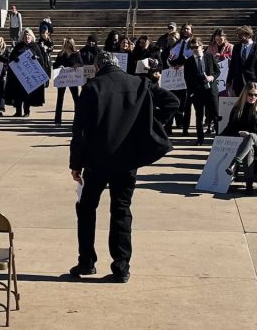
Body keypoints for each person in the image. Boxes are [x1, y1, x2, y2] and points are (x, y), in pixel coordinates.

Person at [69, 51, 179, 282]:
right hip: (128, 160)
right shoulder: (139, 82)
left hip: (97, 161)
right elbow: (172, 102)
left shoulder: (92, 87)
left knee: (87, 209)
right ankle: (121, 266)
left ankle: (87, 261)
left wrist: (75, 164)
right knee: (121, 210)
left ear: (98, 67)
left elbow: (79, 131)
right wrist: (152, 125)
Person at [221, 82, 257, 195]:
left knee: (251, 136)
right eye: (250, 94)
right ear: (245, 94)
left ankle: (234, 164)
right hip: (244, 144)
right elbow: (230, 127)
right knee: (248, 148)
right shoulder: (237, 109)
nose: (253, 97)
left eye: (256, 95)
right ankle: (249, 185)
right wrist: (239, 132)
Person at [184, 37, 219, 145]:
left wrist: (211, 77)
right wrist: (191, 91)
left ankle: (218, 138)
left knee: (215, 114)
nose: (194, 49)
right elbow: (187, 78)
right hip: (197, 93)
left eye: (196, 47)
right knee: (199, 117)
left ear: (202, 46)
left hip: (210, 90)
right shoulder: (189, 61)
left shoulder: (209, 56)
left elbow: (217, 70)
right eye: (192, 47)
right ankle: (200, 139)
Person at [6, 29, 49, 117]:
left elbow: (41, 60)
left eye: (28, 35)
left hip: (30, 77)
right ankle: (18, 111)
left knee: (27, 94)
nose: (27, 37)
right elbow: (11, 58)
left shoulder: (35, 46)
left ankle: (26, 111)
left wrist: (36, 58)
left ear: (32, 37)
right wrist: (15, 59)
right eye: (25, 35)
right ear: (22, 37)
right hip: (18, 76)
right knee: (18, 94)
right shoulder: (18, 46)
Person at [229, 26, 257, 96]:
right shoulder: (236, 47)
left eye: (240, 34)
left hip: (253, 83)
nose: (238, 36)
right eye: (237, 34)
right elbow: (232, 66)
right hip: (238, 84)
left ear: (248, 35)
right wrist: (229, 81)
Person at [53, 38, 83, 126]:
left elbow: (82, 64)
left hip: (73, 79)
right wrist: (59, 66)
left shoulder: (76, 54)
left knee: (76, 99)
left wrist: (78, 65)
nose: (68, 45)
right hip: (63, 79)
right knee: (60, 98)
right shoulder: (61, 55)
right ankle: (57, 120)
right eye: (66, 44)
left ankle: (77, 119)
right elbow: (55, 65)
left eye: (69, 44)